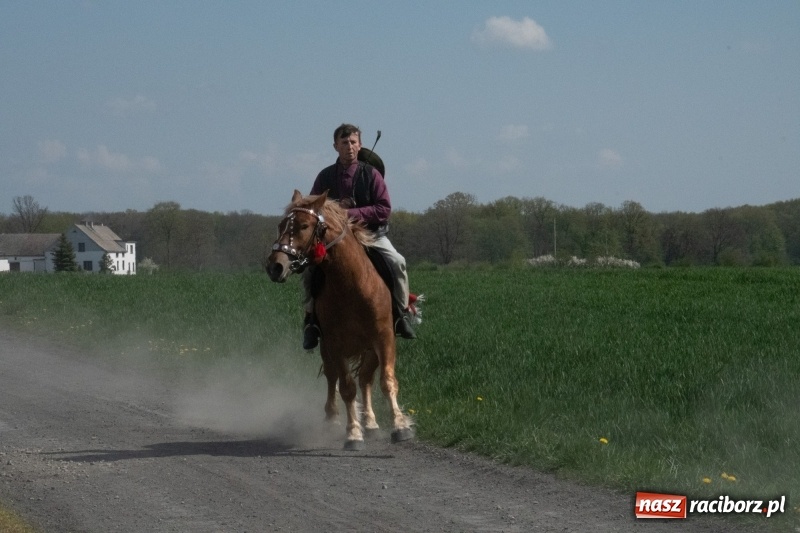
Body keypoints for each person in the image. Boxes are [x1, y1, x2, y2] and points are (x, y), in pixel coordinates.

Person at [302, 123, 415, 350]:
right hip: (333, 241)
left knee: (397, 262)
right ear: (336, 146)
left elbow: (384, 210)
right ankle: (311, 321)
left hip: (371, 236)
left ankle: (402, 315)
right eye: (344, 143)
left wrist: (348, 213)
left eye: (353, 142)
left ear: (360, 145)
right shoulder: (324, 177)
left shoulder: (372, 175)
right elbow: (313, 209)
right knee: (308, 271)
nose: (349, 147)